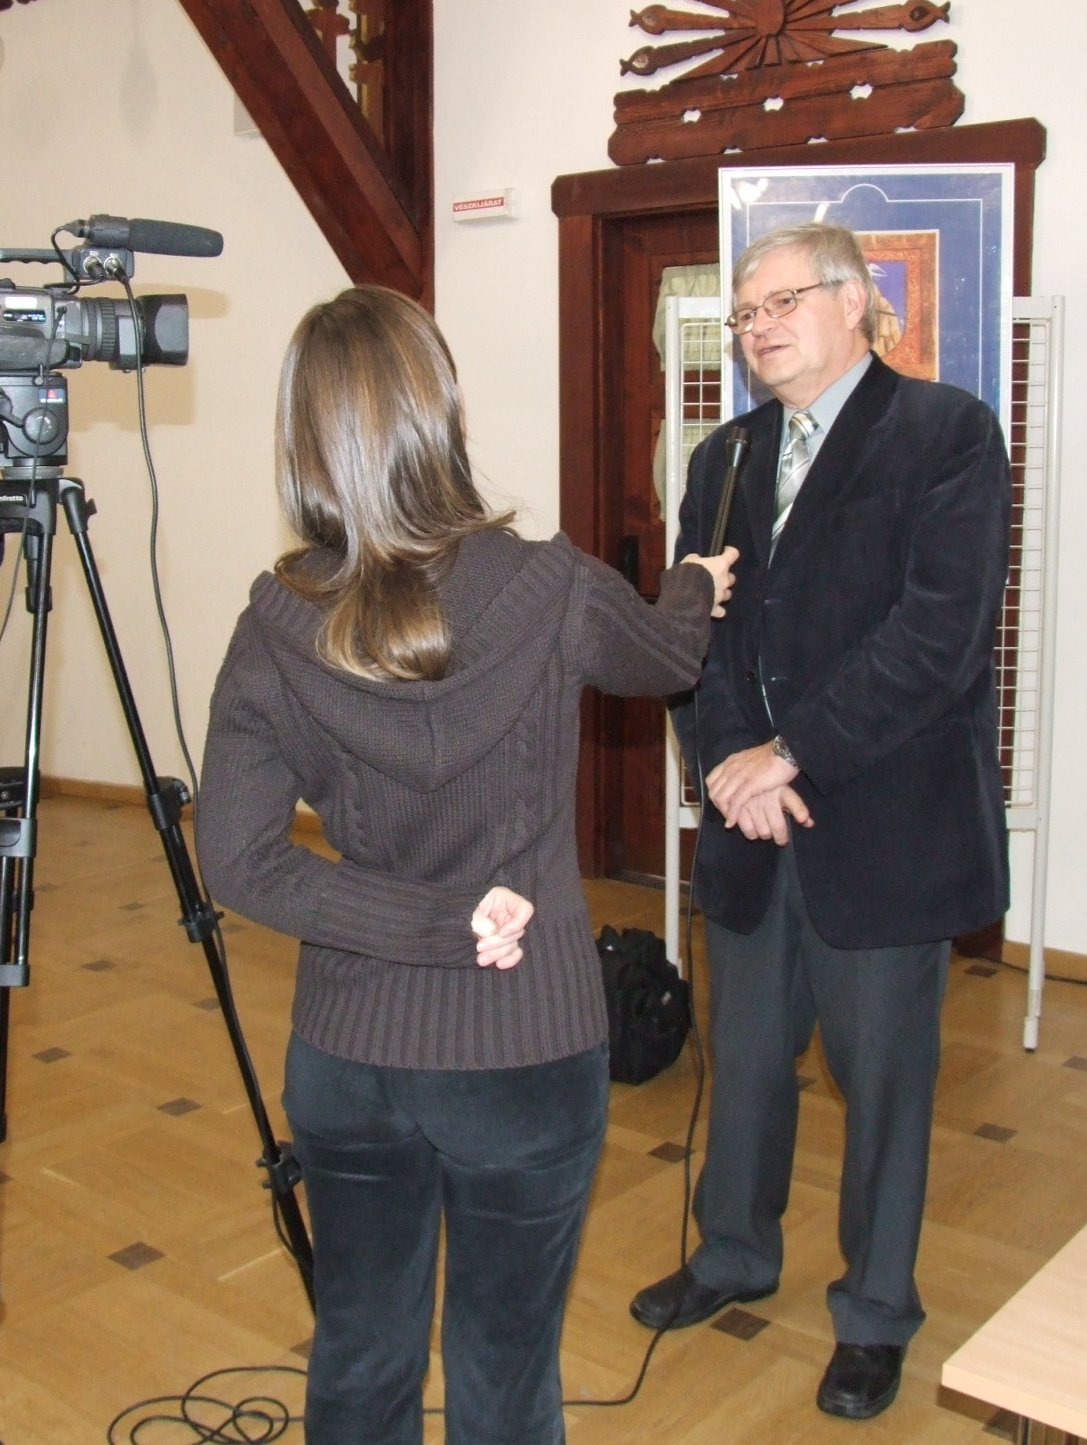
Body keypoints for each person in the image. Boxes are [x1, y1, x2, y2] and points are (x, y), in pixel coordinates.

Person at [197, 285, 737, 1445]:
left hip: (348, 1059)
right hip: (522, 1049)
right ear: (438, 415)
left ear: (303, 442)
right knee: (503, 1375)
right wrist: (696, 582)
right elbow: (667, 655)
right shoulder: (552, 587)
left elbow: (235, 863)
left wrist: (423, 923)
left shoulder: (272, 628)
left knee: (359, 1357)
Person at [631, 221, 1011, 1420]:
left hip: (883, 823)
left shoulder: (945, 433)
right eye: (744, 314)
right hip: (750, 823)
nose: (757, 329)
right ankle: (733, 1253)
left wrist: (784, 756)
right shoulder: (723, 458)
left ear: (855, 303)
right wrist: (727, 767)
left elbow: (935, 642)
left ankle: (875, 1312)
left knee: (882, 1082)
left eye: (781, 302)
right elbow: (690, 632)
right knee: (744, 1060)